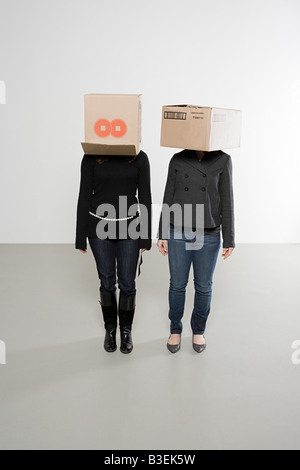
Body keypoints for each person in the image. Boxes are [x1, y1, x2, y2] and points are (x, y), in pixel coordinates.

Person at [158, 149, 235, 354]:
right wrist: (162, 233)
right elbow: (168, 195)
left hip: (208, 232)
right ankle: (175, 329)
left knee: (203, 286)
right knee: (177, 284)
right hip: (177, 230)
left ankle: (198, 330)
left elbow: (227, 200)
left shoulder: (223, 159)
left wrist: (229, 237)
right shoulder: (178, 158)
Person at [76, 151, 152, 354]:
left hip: (130, 228)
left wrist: (145, 236)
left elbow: (145, 196)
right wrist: (80, 236)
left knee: (127, 282)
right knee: (107, 281)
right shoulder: (91, 157)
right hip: (98, 227)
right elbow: (84, 194)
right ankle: (110, 330)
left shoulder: (139, 157)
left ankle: (125, 331)